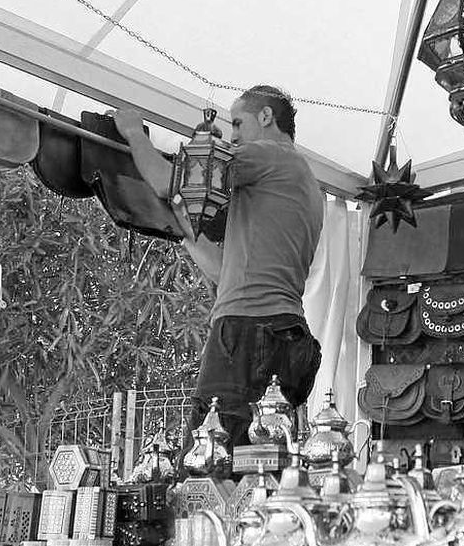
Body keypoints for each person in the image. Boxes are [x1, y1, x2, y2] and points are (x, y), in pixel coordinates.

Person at [115, 86, 324, 447]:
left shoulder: (268, 154)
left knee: (210, 457)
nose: (234, 136)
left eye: (238, 123)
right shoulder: (303, 183)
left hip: (248, 330)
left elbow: (167, 182)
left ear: (266, 117)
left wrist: (133, 131)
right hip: (281, 334)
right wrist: (185, 229)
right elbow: (223, 271)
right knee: (255, 463)